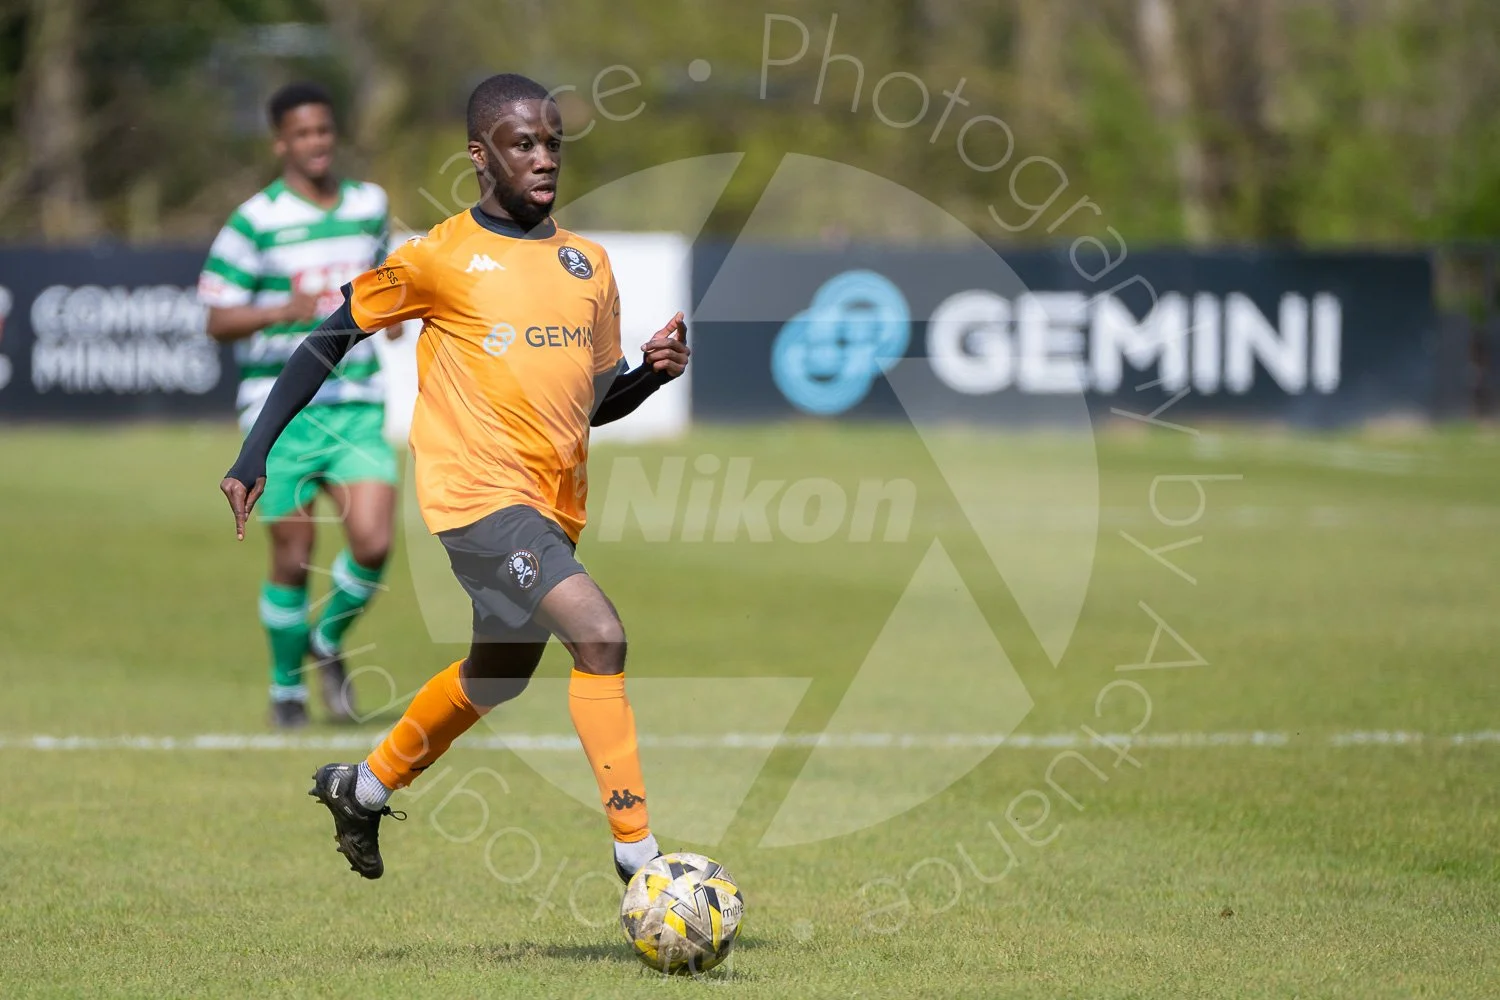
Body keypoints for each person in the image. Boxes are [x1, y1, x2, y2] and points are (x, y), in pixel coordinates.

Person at [218, 73, 690, 884]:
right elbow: (327, 338)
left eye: (553, 143)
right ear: (480, 155)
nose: (544, 158)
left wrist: (649, 374)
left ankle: (363, 789)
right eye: (523, 143)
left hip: (552, 507)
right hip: (477, 501)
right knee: (600, 636)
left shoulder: (588, 265)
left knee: (496, 677)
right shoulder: (438, 256)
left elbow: (592, 403)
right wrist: (256, 449)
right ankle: (640, 859)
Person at [199, 81, 401, 728]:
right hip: (280, 411)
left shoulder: (369, 204)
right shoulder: (254, 221)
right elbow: (216, 319)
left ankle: (325, 638)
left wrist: (398, 316)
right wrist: (278, 311)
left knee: (373, 540)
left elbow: (388, 279)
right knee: (292, 554)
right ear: (280, 143)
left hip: (356, 403)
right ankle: (286, 688)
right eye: (303, 133)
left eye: (324, 130)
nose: (317, 142)